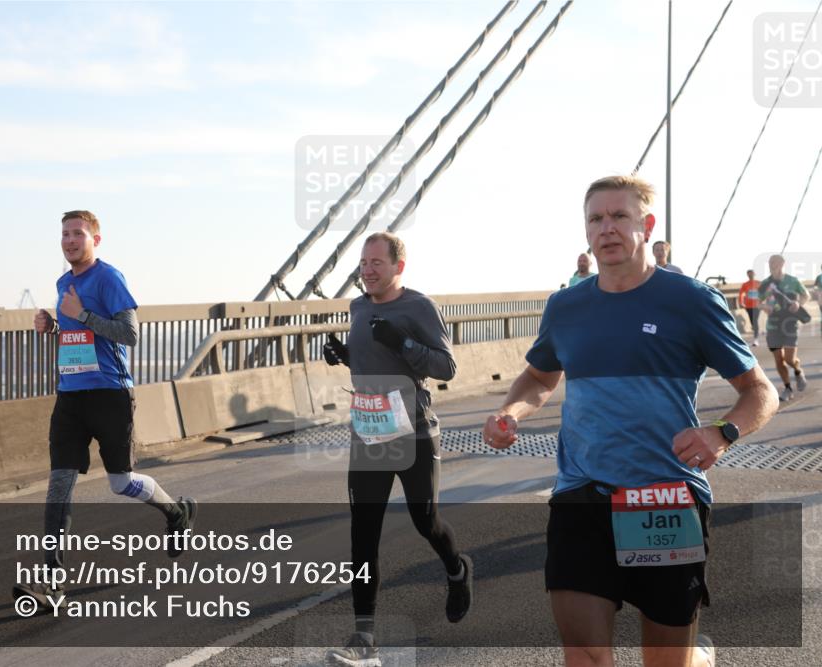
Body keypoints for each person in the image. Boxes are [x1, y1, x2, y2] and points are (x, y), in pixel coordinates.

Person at [483, 176, 778, 667]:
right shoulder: (565, 306)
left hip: (664, 497)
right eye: (596, 219)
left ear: (647, 225)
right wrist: (509, 412)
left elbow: (760, 391)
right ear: (586, 231)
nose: (607, 228)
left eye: (620, 216)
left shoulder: (691, 301)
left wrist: (722, 433)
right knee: (586, 657)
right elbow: (538, 377)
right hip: (581, 494)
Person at [12, 211, 196, 610]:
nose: (69, 240)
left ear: (95, 239)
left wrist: (82, 315)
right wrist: (53, 326)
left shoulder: (109, 278)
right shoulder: (64, 282)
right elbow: (78, 334)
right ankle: (52, 582)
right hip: (70, 397)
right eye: (64, 234)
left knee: (120, 482)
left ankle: (176, 512)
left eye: (78, 233)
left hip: (111, 395)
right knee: (58, 487)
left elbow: (130, 334)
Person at [322, 232, 471, 666]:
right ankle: (364, 638)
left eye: (376, 263)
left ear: (398, 267)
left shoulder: (419, 307)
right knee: (363, 534)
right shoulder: (357, 307)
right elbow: (371, 361)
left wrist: (401, 341)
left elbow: (446, 367)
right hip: (370, 431)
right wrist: (344, 355)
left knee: (426, 521)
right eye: (363, 263)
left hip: (414, 432)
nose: (367, 271)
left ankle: (457, 569)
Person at [757, 254, 810, 401]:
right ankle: (788, 388)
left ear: (782, 263)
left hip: (790, 324)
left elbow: (806, 295)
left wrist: (799, 304)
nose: (771, 265)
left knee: (789, 359)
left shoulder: (792, 281)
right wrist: (764, 307)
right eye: (770, 262)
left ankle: (798, 370)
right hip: (773, 325)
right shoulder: (766, 283)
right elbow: (757, 301)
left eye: (774, 262)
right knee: (778, 360)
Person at [738, 269, 761, 346]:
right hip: (748, 306)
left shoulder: (759, 283)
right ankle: (755, 329)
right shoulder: (745, 284)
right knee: (752, 321)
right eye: (749, 274)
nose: (750, 275)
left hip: (757, 305)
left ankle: (756, 339)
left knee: (755, 320)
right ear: (747, 275)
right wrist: (741, 302)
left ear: (754, 274)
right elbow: (741, 294)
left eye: (751, 274)